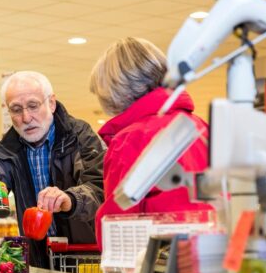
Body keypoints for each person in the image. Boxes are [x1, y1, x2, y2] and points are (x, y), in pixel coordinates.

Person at [0, 71, 105, 268]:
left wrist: (70, 200)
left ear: (51, 103)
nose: (26, 117)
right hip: (38, 263)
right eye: (16, 109)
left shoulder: (81, 137)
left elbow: (101, 190)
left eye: (33, 106)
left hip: (86, 260)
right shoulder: (7, 150)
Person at [89, 37, 213, 249]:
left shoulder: (130, 139)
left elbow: (118, 228)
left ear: (117, 92)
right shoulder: (200, 128)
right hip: (215, 256)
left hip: (164, 266)